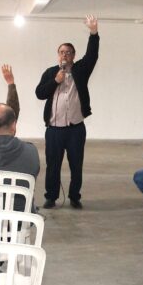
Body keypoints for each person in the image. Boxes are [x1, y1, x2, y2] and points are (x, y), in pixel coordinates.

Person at [35, 16, 99, 209]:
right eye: (62, 52)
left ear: (73, 55)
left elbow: (92, 56)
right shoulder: (50, 72)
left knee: (76, 164)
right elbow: (40, 93)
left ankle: (74, 196)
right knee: (52, 165)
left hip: (75, 128)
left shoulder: (80, 70)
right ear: (58, 55)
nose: (65, 55)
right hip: (54, 129)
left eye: (68, 52)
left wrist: (93, 33)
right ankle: (51, 196)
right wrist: (55, 80)